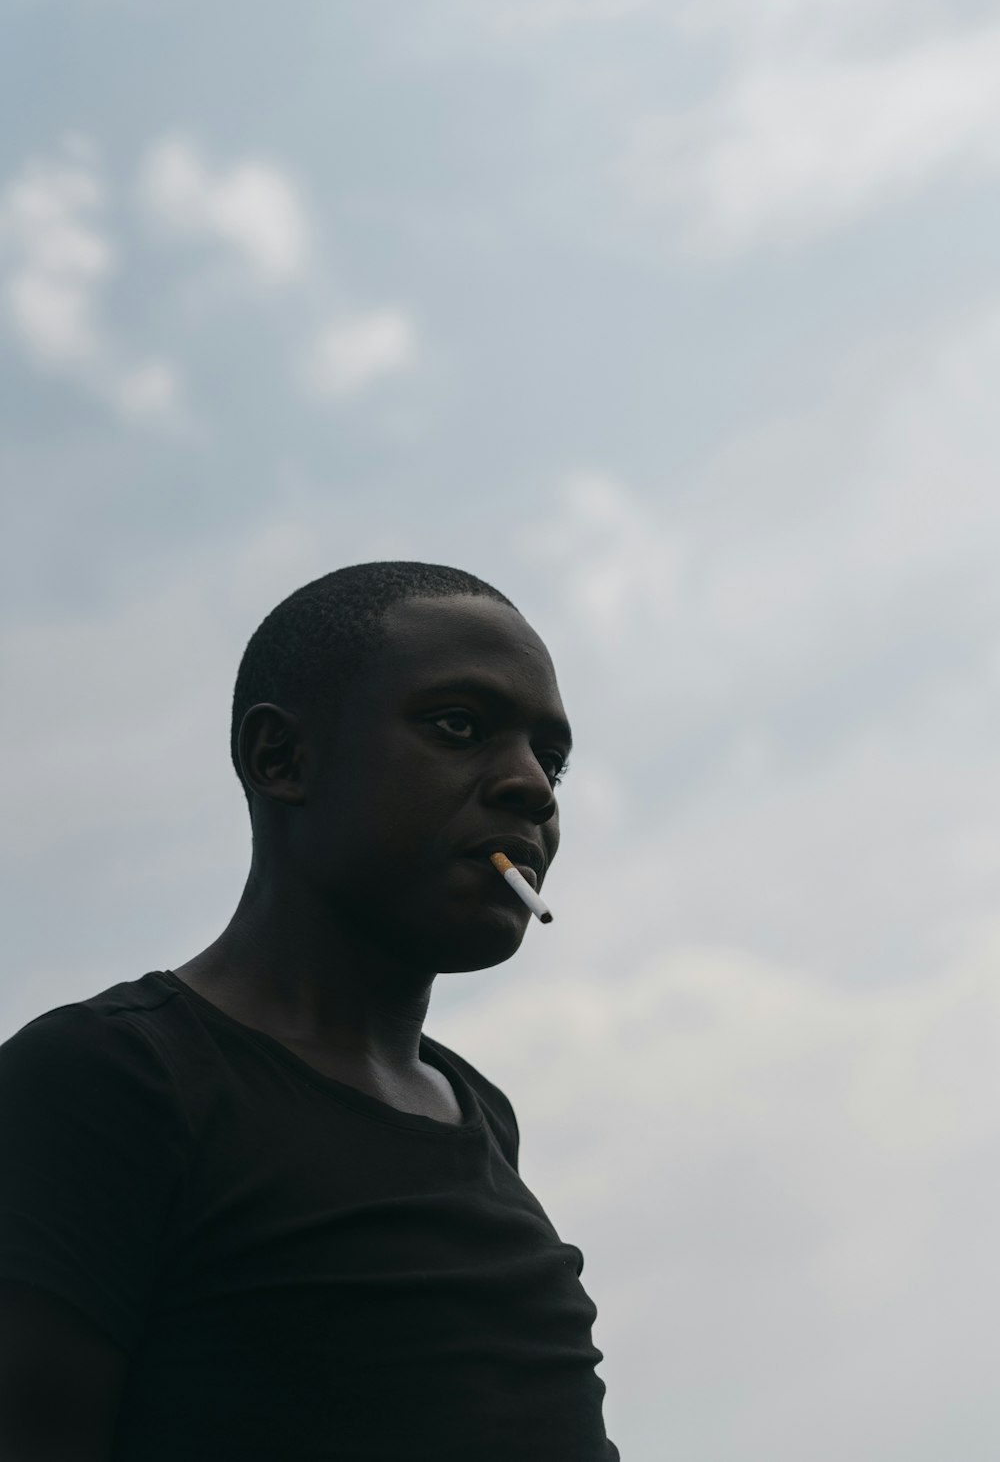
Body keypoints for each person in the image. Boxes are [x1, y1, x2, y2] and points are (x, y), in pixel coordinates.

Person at [0, 561, 619, 1461]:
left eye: (550, 756)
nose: (533, 785)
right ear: (281, 758)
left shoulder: (477, 1111)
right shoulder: (111, 1080)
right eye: (461, 726)